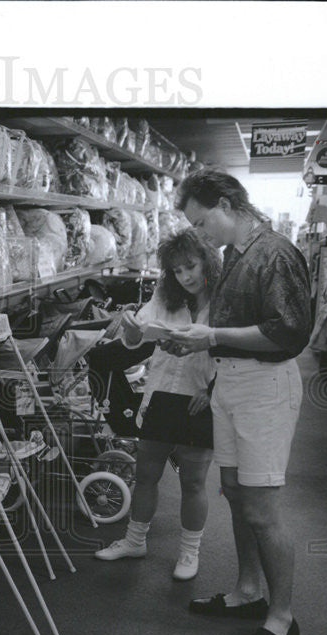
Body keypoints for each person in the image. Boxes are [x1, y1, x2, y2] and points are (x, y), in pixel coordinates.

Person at [169, 168, 312, 635]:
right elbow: (232, 326)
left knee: (262, 509)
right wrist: (199, 343)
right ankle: (248, 590)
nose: (201, 234)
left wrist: (212, 338)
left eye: (203, 221)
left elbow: (288, 333)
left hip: (264, 387)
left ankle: (283, 617)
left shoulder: (275, 253)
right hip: (230, 382)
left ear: (229, 203)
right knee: (233, 491)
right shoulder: (235, 254)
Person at [95, 228, 219, 581]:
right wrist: (132, 330)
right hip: (162, 392)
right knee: (147, 474)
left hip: (200, 396)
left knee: (194, 482)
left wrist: (212, 390)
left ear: (207, 259)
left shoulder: (225, 299)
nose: (185, 276)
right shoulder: (166, 295)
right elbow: (135, 341)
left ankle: (189, 552)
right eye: (177, 270)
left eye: (190, 266)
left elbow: (236, 353)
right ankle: (134, 541)